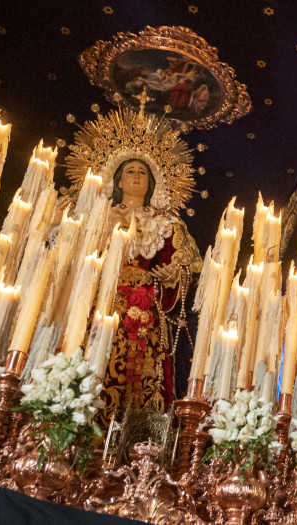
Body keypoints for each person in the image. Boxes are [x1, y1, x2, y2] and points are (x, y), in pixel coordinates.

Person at [96, 158, 200, 427]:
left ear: (151, 182)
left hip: (147, 314)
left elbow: (183, 265)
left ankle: (139, 438)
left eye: (143, 172)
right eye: (130, 171)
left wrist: (174, 276)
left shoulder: (164, 223)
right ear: (118, 181)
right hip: (104, 305)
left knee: (145, 376)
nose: (137, 176)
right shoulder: (101, 215)